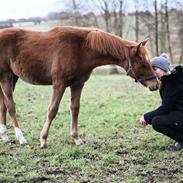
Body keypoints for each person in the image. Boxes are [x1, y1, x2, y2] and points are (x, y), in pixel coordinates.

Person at [139, 54, 183, 151]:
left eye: (155, 69)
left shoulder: (174, 82)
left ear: (163, 68)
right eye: (151, 70)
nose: (153, 72)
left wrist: (146, 117)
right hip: (178, 113)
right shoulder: (168, 79)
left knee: (157, 121)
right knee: (158, 118)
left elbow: (165, 108)